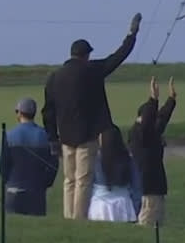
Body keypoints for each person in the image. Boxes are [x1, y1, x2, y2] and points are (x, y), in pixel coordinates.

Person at [42, 14, 142, 220]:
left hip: (65, 137)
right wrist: (131, 35)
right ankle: (78, 219)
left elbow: (48, 111)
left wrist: (52, 137)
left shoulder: (55, 77)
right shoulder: (92, 70)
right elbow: (118, 57)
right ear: (85, 55)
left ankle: (68, 216)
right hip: (87, 136)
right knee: (83, 179)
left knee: (69, 180)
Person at [128, 77, 177, 227]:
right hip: (148, 190)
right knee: (147, 229)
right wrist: (153, 100)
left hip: (152, 188)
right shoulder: (140, 134)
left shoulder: (149, 133)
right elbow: (149, 124)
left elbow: (160, 120)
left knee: (156, 229)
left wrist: (171, 100)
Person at [0, 97, 57, 217]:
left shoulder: (9, 136)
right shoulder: (45, 136)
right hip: (37, 193)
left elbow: (2, 166)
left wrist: (7, 181)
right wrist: (45, 183)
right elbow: (53, 165)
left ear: (19, 113)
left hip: (13, 191)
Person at [87, 124, 140, 222]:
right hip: (124, 205)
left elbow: (87, 185)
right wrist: (135, 209)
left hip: (99, 206)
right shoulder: (128, 160)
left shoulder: (95, 160)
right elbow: (137, 188)